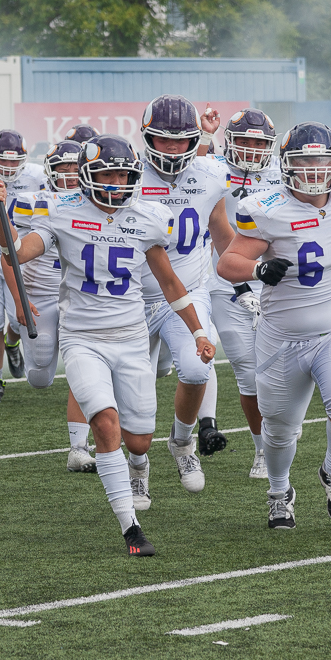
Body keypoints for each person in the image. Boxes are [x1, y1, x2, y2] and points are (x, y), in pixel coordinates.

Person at [0, 134, 215, 557]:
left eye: (123, 174)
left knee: (139, 441)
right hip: (83, 338)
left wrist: (198, 331)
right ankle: (131, 528)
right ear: (87, 177)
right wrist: (2, 213)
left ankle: (139, 466)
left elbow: (168, 282)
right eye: (106, 173)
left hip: (130, 337)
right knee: (105, 423)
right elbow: (17, 252)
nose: (115, 182)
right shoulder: (61, 210)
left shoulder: (148, 216)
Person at [219, 122, 331, 530]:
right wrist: (260, 267)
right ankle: (279, 491)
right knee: (279, 431)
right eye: (303, 160)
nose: (314, 169)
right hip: (282, 337)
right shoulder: (266, 207)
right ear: (285, 165)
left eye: (322, 160)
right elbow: (228, 263)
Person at [135, 94, 226, 500]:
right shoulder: (127, 176)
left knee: (195, 370)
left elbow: (222, 231)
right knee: (134, 394)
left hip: (187, 292)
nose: (172, 149)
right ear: (146, 138)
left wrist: (246, 277)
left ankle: (182, 442)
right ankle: (137, 466)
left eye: (181, 141)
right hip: (131, 298)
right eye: (163, 140)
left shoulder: (210, 173)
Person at [199, 106, 280, 479]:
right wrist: (205, 136)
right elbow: (192, 174)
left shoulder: (284, 172)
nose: (250, 148)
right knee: (247, 371)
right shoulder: (215, 167)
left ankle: (281, 436)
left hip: (278, 279)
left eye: (258, 142)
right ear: (230, 142)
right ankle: (263, 449)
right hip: (225, 281)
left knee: (280, 369)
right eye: (243, 140)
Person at [7, 140, 94, 471]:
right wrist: (20, 300)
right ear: (50, 172)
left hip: (81, 297)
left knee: (80, 366)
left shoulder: (99, 203)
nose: (70, 176)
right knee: (41, 377)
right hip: (41, 296)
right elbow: (10, 255)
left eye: (76, 169)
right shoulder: (34, 202)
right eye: (63, 169)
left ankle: (78, 446)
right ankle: (12, 337)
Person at [0, 129, 44, 404]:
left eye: (14, 161)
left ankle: (13, 341)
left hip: (23, 255)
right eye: (1, 162)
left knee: (21, 315)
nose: (7, 167)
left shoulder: (39, 176)